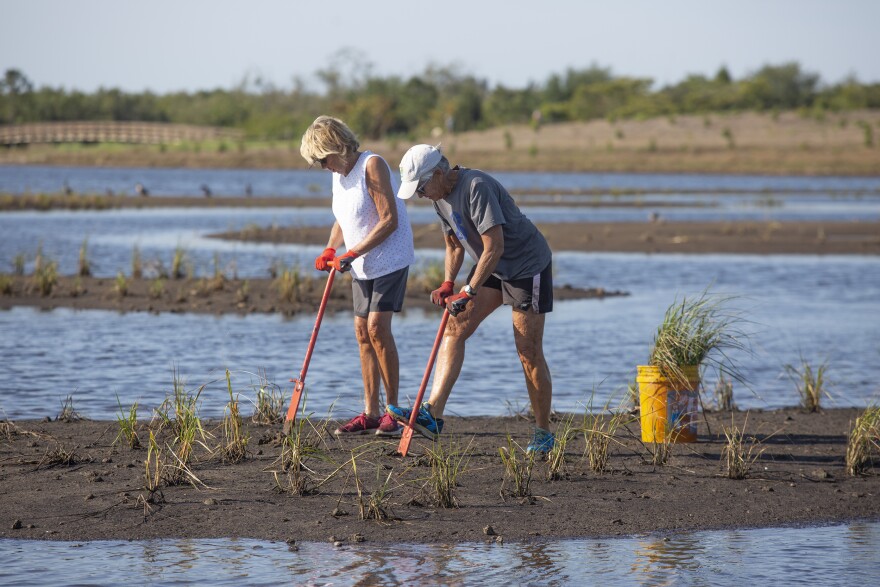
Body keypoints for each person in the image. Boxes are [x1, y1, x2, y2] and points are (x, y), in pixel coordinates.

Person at [388, 144, 555, 454]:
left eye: (422, 187)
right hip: (493, 266)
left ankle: (543, 433)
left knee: (527, 350)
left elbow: (494, 247)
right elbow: (454, 246)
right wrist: (449, 282)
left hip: (525, 265)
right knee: (455, 327)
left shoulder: (475, 187)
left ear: (438, 173)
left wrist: (469, 291)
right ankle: (433, 414)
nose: (421, 194)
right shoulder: (439, 199)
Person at [300, 116, 415, 437]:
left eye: (323, 159)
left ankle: (393, 412)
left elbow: (390, 219)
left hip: (390, 258)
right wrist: (330, 248)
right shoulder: (338, 175)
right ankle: (371, 413)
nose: (323, 167)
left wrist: (351, 253)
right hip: (361, 264)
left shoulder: (372, 164)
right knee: (362, 332)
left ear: (337, 147)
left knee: (378, 329)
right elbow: (343, 219)